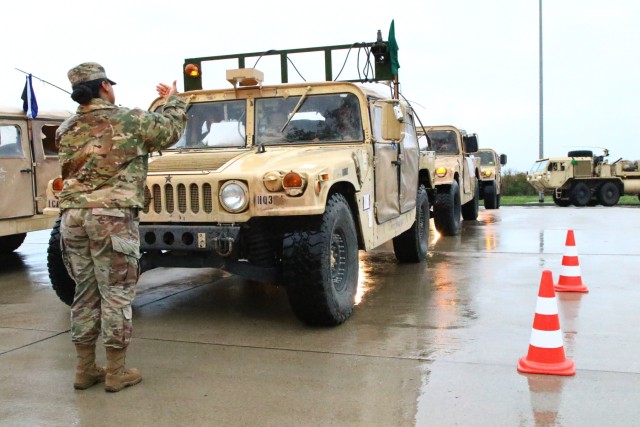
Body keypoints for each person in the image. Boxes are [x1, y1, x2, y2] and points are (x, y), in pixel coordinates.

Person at [56, 62, 186, 392]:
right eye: (110, 86)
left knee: (84, 293)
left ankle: (85, 370)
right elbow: (170, 130)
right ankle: (116, 372)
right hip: (110, 218)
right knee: (116, 294)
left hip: (72, 217)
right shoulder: (127, 118)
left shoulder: (65, 129)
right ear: (104, 88)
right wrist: (173, 99)